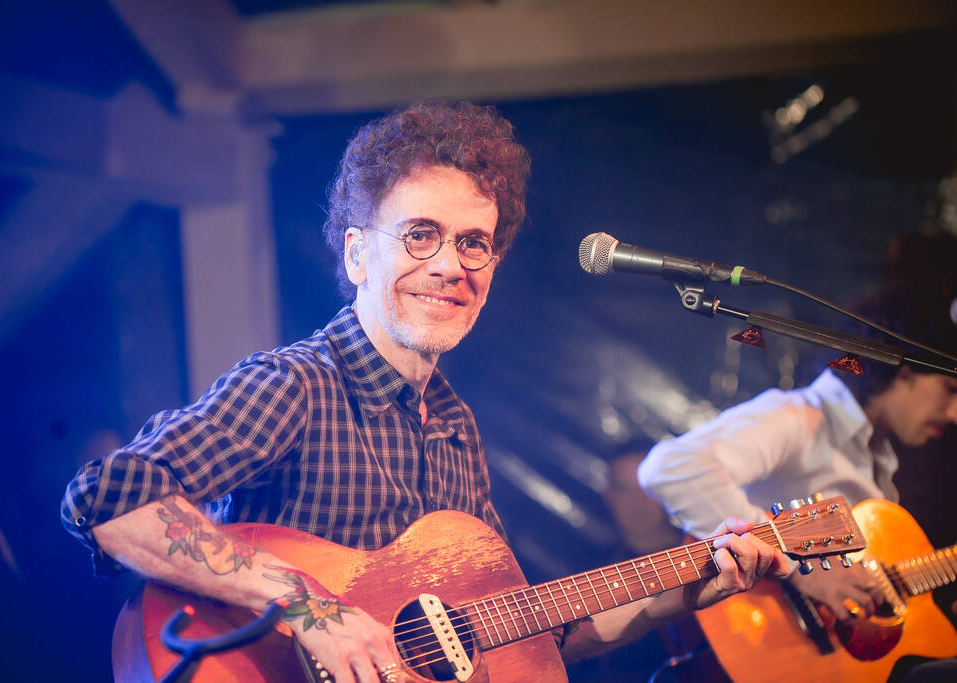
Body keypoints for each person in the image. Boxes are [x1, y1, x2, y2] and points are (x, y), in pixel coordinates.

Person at [62, 101, 789, 683]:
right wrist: (310, 604)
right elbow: (107, 499)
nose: (449, 265)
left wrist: (695, 585)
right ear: (357, 254)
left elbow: (517, 630)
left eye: (474, 242)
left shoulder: (453, 426)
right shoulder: (297, 383)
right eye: (419, 235)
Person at [638, 281, 957, 628]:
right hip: (753, 628)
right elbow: (672, 467)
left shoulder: (877, 455)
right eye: (950, 389)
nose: (955, 413)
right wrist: (797, 568)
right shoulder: (799, 417)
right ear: (904, 371)